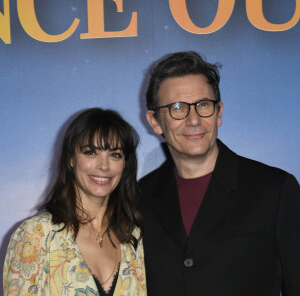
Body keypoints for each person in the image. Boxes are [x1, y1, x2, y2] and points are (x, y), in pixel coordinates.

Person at [139, 51, 300, 295]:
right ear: (155, 121)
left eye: (203, 104)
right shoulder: (139, 198)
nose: (193, 120)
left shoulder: (275, 189)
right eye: (178, 107)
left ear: (219, 112)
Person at [3, 108, 146, 296]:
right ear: (71, 158)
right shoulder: (36, 235)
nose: (104, 165)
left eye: (115, 154)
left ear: (125, 164)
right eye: (90, 152)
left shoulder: (132, 237)